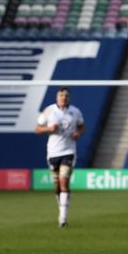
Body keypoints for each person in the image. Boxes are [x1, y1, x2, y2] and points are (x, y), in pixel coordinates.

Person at [35, 86, 85, 228]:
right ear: (57, 97)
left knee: (64, 181)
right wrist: (48, 129)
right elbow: (37, 129)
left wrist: (78, 133)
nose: (64, 98)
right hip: (53, 152)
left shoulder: (75, 112)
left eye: (66, 96)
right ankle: (61, 207)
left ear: (69, 98)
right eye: (61, 95)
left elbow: (82, 126)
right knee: (57, 185)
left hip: (68, 151)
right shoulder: (49, 111)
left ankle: (63, 218)